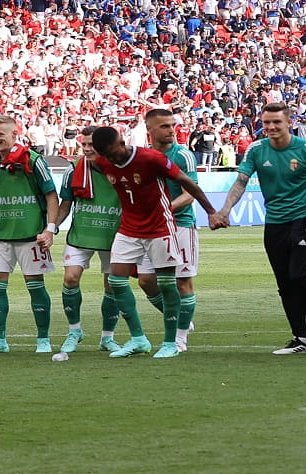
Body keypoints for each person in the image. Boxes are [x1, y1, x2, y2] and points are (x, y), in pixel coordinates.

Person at [212, 103, 306, 355]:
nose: (271, 127)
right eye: (266, 123)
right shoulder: (256, 150)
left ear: (289, 123)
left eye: (276, 122)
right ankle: (300, 337)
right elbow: (241, 181)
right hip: (274, 221)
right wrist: (225, 210)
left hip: (304, 217)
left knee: (299, 275)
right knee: (285, 282)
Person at [87, 126, 216, 359]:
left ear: (122, 142)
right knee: (116, 280)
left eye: (114, 153)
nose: (112, 159)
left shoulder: (151, 159)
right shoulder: (101, 163)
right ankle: (139, 339)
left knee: (168, 285)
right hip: (129, 229)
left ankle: (170, 343)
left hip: (160, 228)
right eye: (106, 155)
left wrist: (211, 211)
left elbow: (187, 182)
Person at [0, 116, 59, 355]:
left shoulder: (32, 160)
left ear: (15, 133)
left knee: (35, 286)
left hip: (30, 234)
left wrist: (50, 229)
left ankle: (43, 339)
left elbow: (51, 195)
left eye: (0, 134)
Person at [54, 126, 132, 354]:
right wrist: (52, 228)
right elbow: (65, 204)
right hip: (82, 233)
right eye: (84, 145)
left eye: (91, 145)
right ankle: (74, 331)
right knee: (70, 278)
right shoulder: (74, 169)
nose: (87, 149)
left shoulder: (122, 168)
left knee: (112, 285)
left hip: (115, 235)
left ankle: (107, 337)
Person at [142, 109, 200, 352]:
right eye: (164, 126)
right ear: (150, 131)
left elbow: (191, 192)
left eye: (172, 125)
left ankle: (179, 338)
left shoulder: (182, 155)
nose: (171, 130)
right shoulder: (143, 156)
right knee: (146, 281)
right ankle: (179, 316)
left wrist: (166, 208)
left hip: (180, 225)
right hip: (150, 227)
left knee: (182, 282)